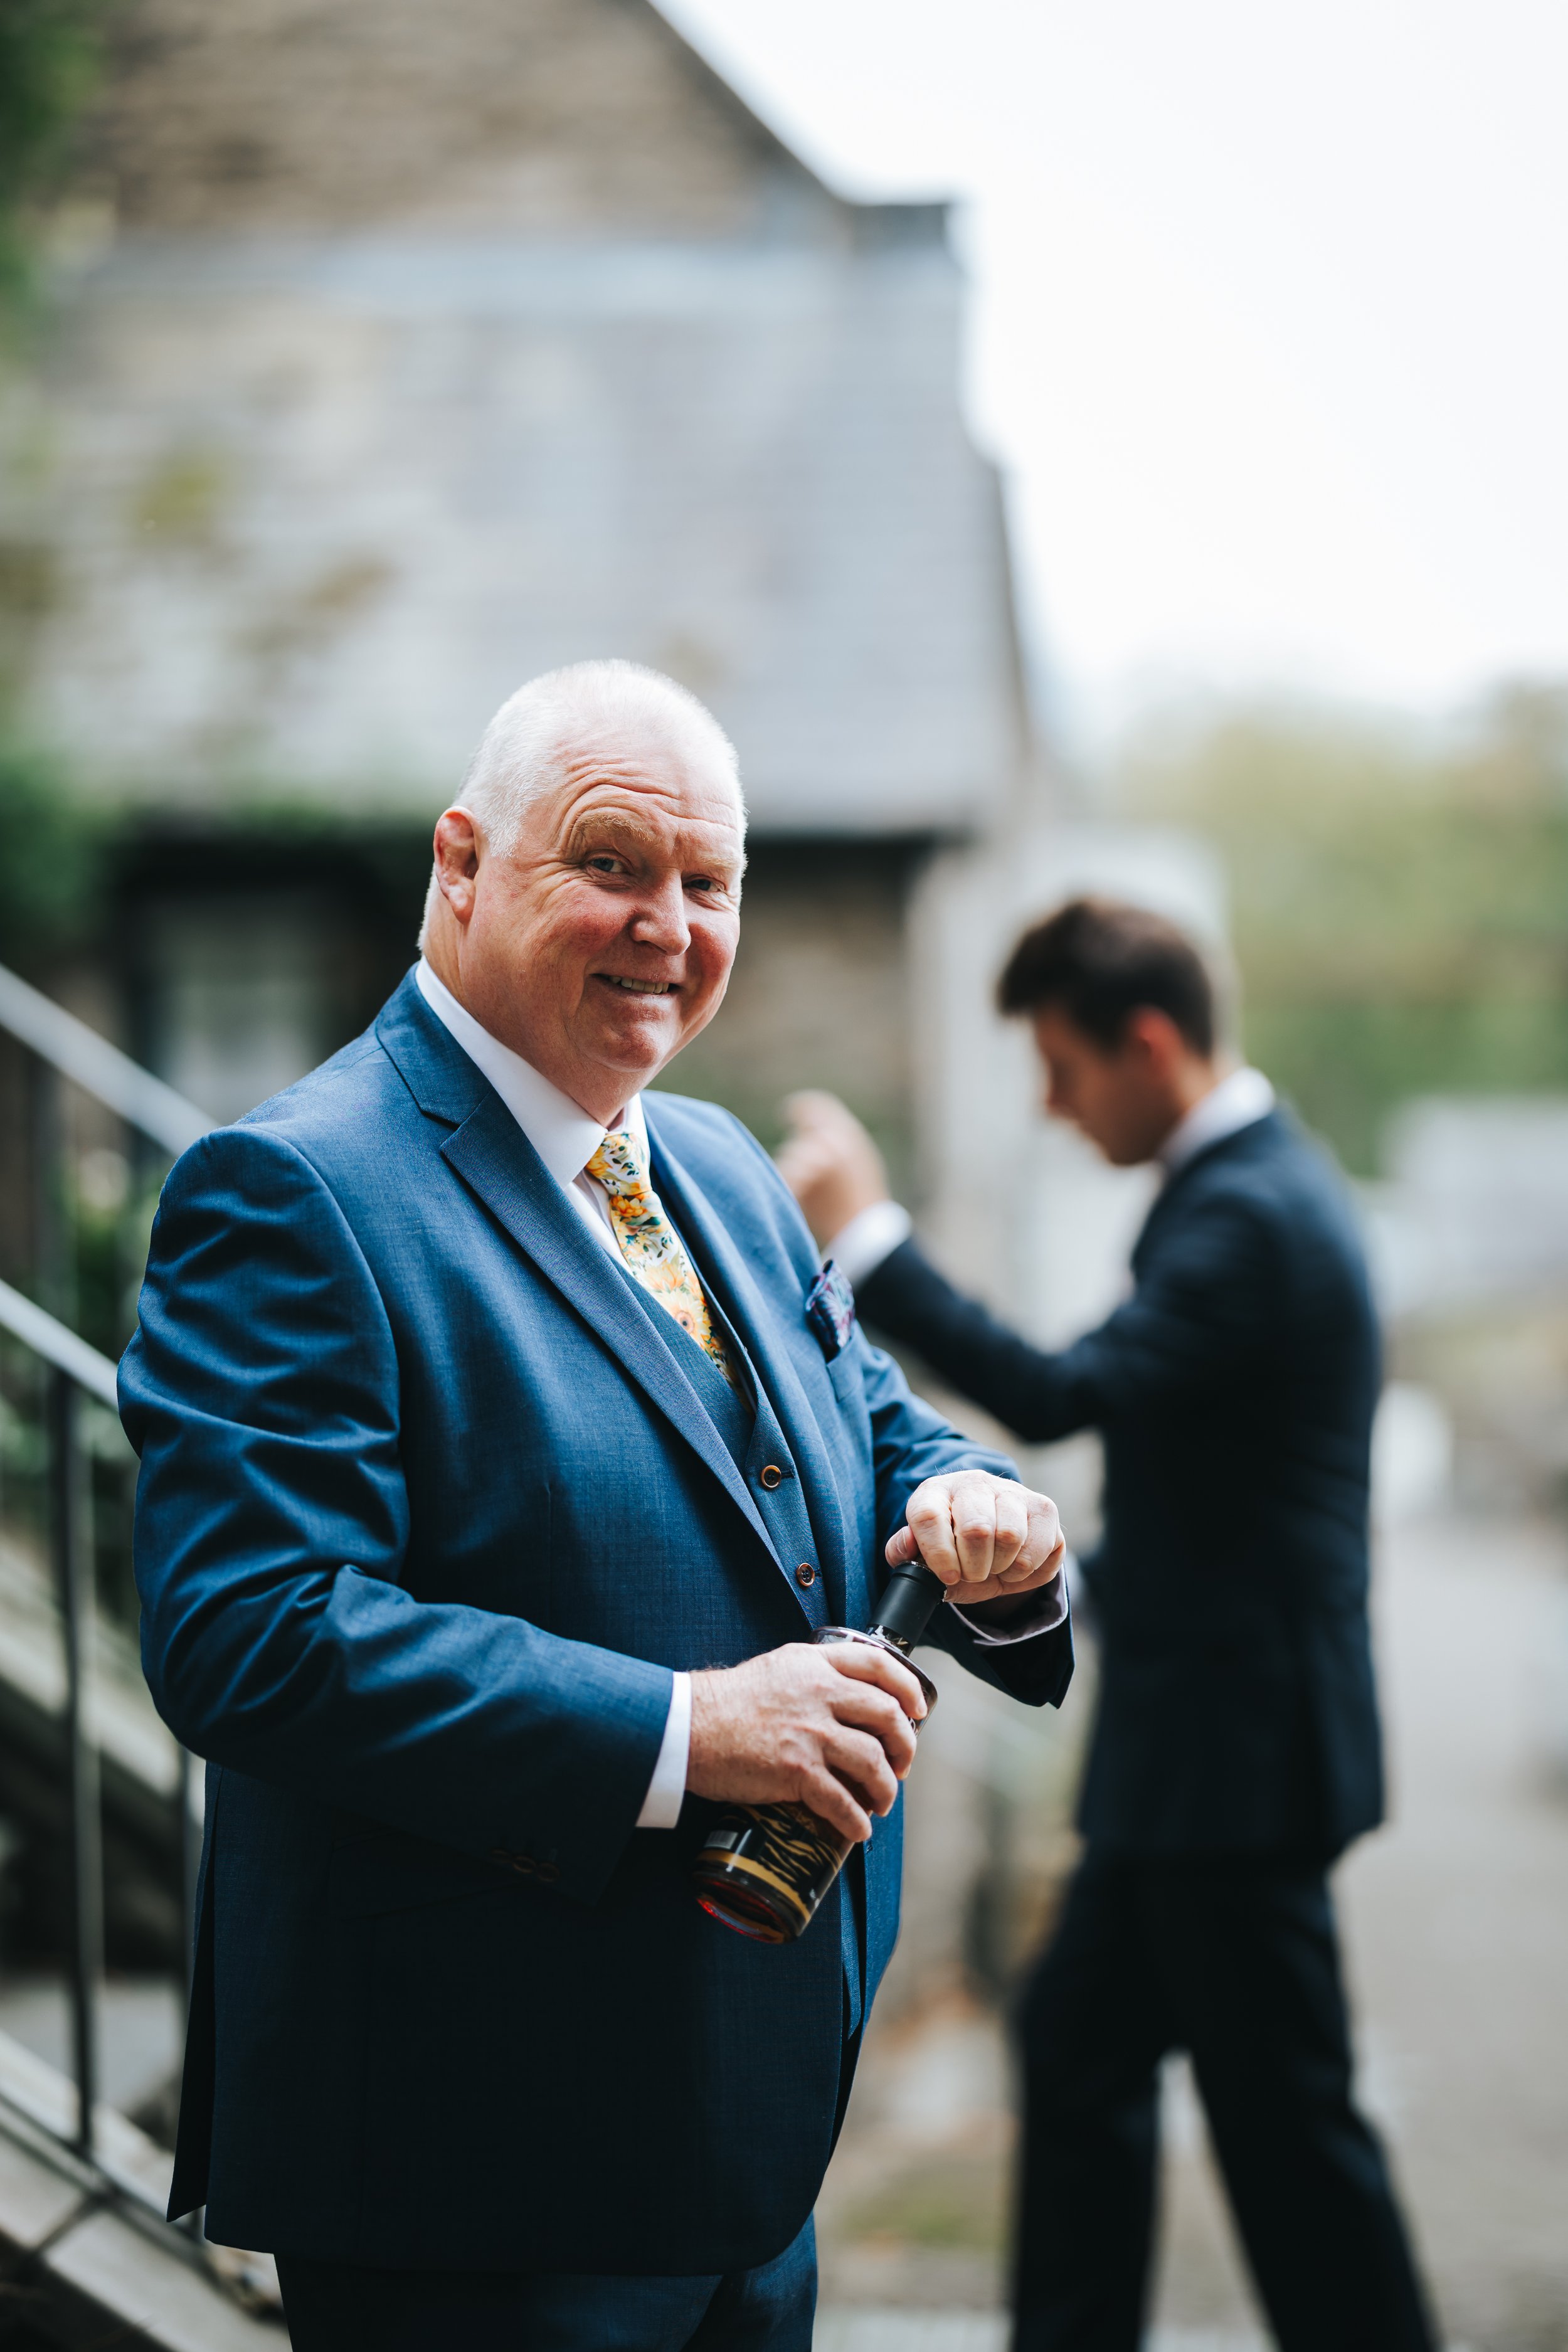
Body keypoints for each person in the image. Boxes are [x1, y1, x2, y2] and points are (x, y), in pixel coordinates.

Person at [119, 660, 1074, 2352]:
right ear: (461, 862)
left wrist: (983, 1508)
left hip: (747, 2132)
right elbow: (249, 1634)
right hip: (476, 2147)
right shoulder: (291, 1188)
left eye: (709, 884)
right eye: (615, 863)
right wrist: (694, 1726)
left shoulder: (711, 1162)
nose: (668, 924)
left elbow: (865, 1432)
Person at [780, 895, 1437, 2352]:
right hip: (1196, 1753)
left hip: (1234, 1760)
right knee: (1079, 2052)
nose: (1053, 1107)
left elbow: (1060, 1393)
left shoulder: (1252, 1213)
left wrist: (866, 1236)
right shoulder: (1244, 1189)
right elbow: (1215, 1483)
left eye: (1062, 1068)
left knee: (1285, 2129)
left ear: (1147, 1044)